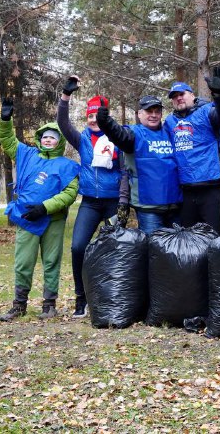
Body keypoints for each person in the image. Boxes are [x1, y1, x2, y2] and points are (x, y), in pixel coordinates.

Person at [0, 98, 80, 321]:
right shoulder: (27, 155)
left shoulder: (67, 166)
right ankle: (19, 304)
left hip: (53, 220)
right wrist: (5, 119)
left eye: (53, 137)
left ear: (60, 141)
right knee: (23, 261)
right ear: (39, 139)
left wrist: (45, 208)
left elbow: (69, 194)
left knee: (51, 261)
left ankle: (49, 305)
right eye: (45, 136)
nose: (48, 140)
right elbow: (7, 140)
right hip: (26, 218)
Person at [57, 76, 122, 317]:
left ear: (105, 116)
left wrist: (124, 203)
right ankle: (81, 298)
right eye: (90, 116)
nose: (93, 120)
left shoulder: (117, 135)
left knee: (116, 249)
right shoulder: (82, 138)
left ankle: (115, 295)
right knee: (77, 247)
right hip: (90, 203)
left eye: (97, 115)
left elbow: (125, 169)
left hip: (114, 202)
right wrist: (65, 96)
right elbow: (62, 123)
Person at [97, 95, 181, 235]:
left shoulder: (170, 132)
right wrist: (105, 122)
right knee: (154, 251)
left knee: (174, 252)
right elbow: (118, 134)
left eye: (157, 111)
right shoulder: (133, 133)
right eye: (149, 111)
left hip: (175, 206)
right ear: (139, 114)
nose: (154, 115)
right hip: (149, 209)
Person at [163, 66, 220, 232]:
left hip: (212, 187)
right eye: (174, 97)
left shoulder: (206, 111)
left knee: (217, 235)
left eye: (182, 94)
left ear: (192, 95)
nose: (178, 98)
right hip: (186, 191)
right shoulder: (169, 122)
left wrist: (219, 94)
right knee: (189, 240)